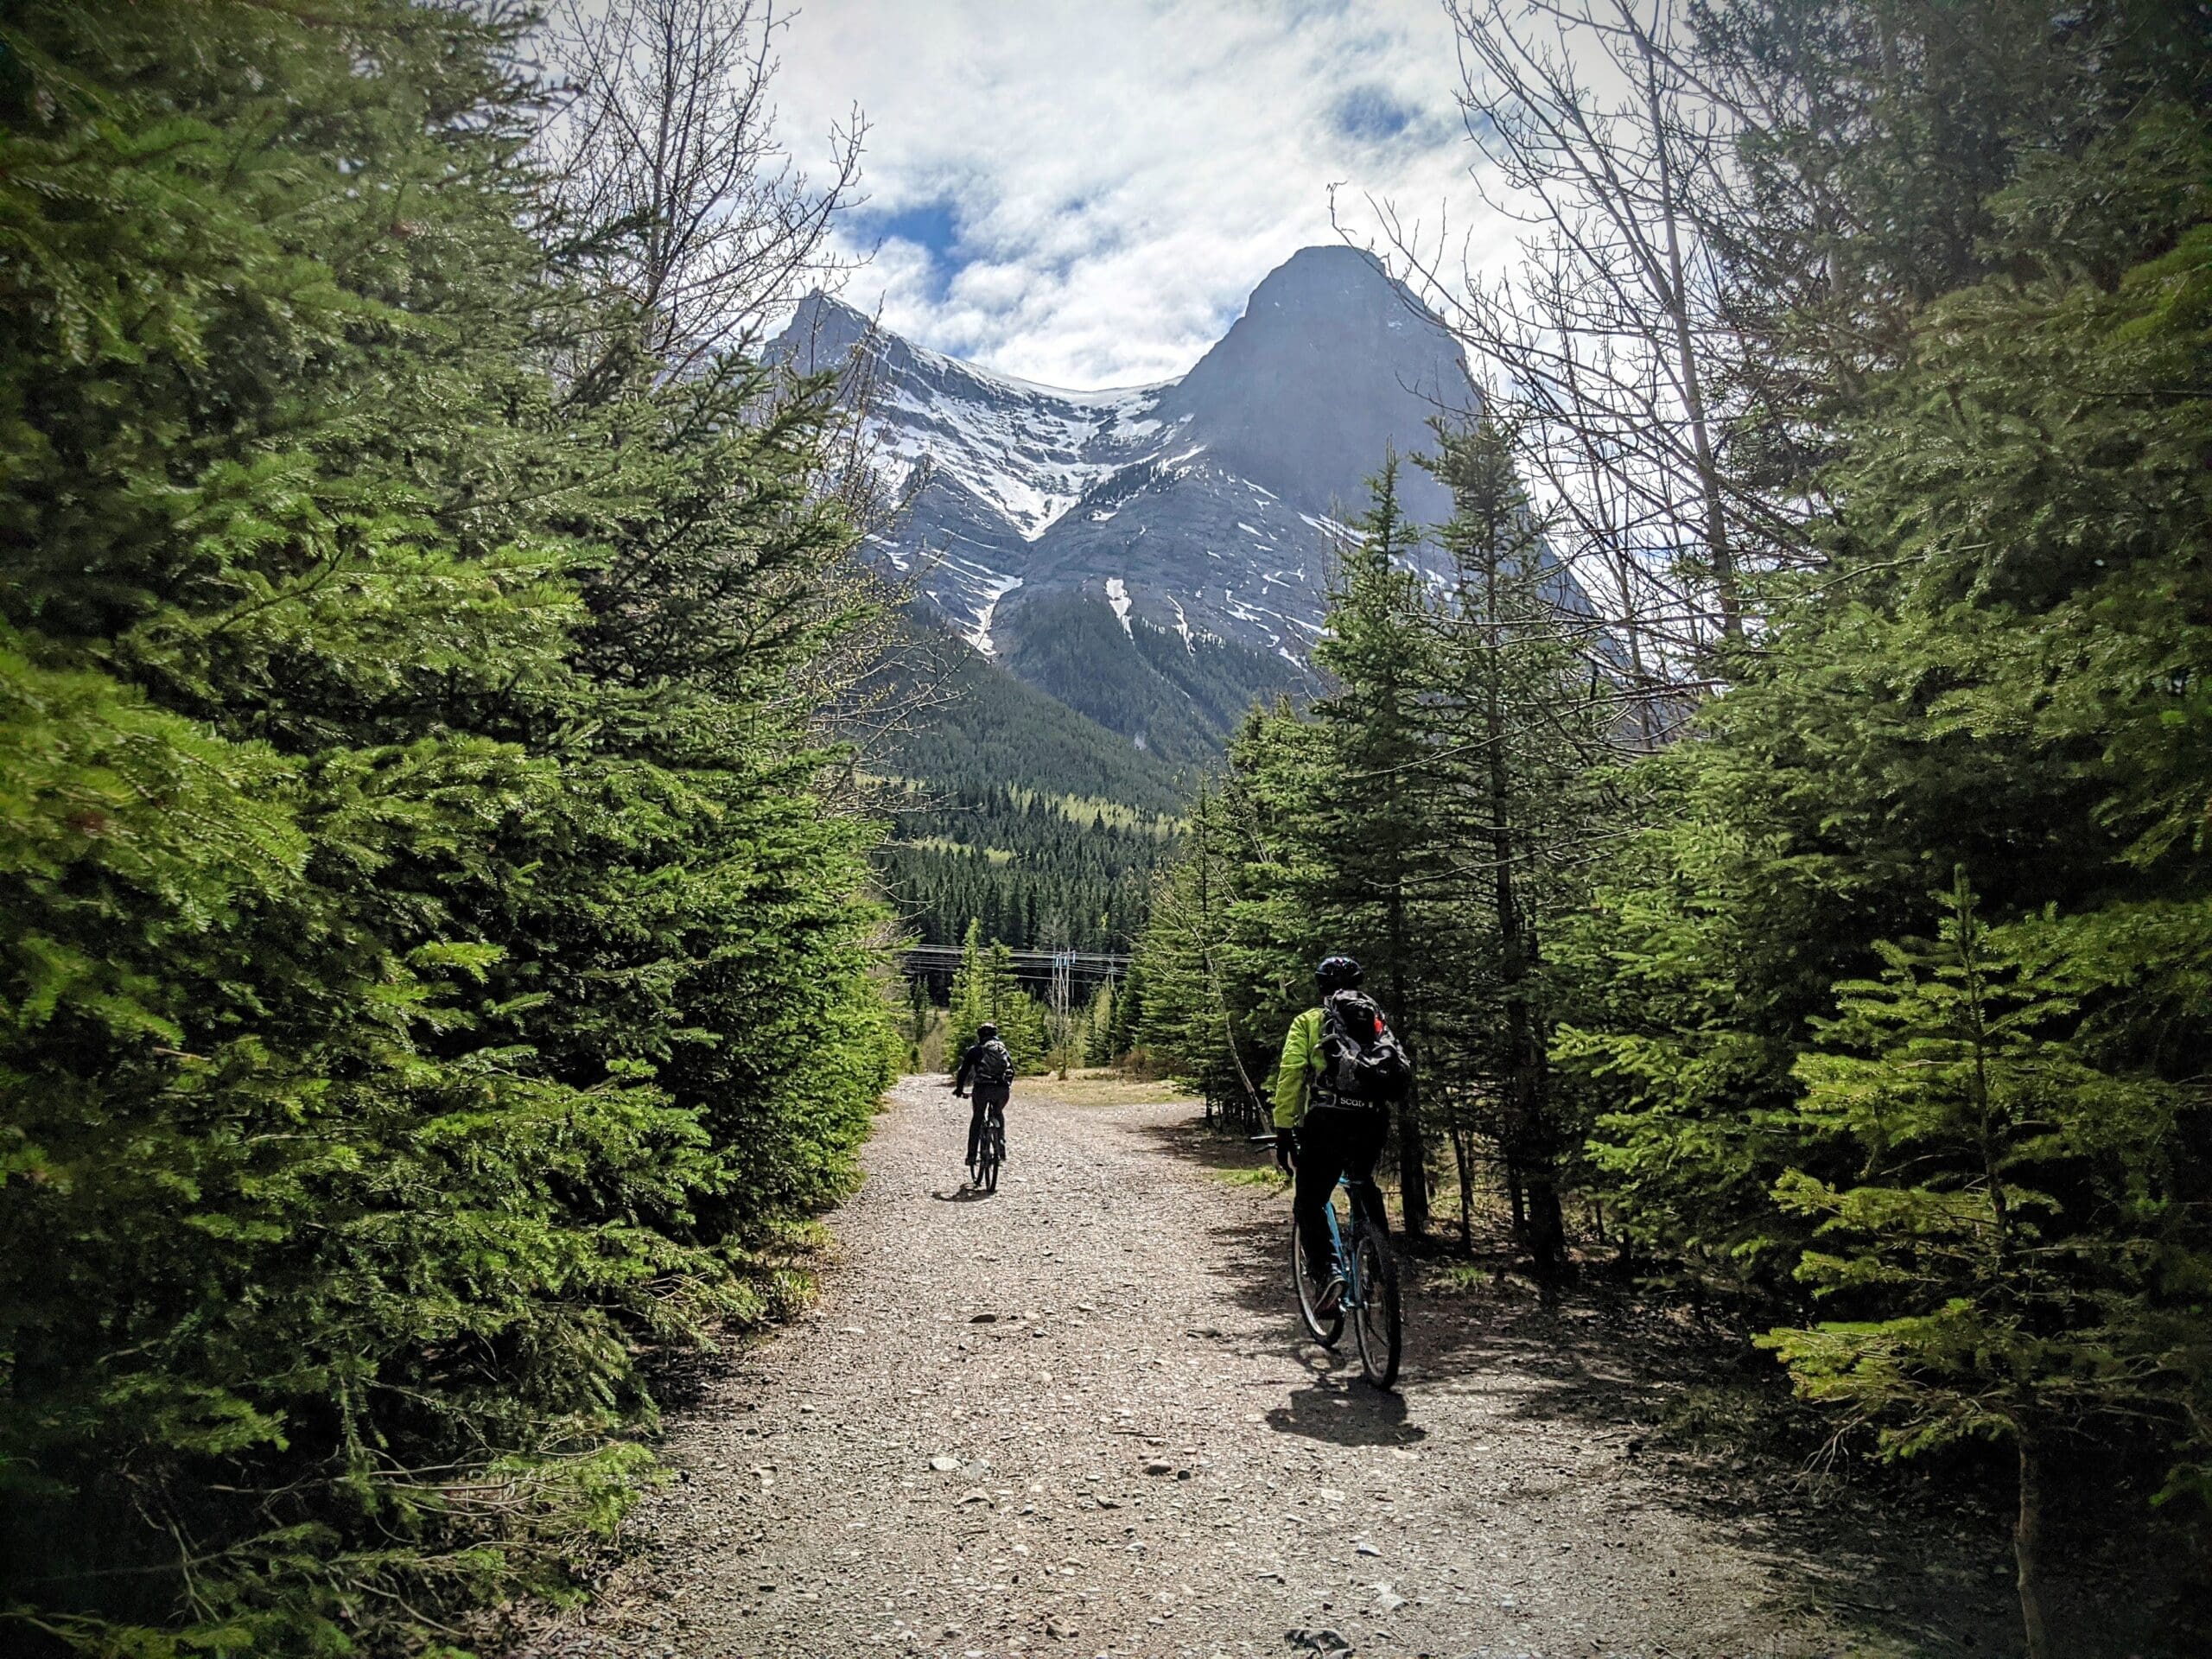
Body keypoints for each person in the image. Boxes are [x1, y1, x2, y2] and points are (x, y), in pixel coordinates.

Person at [1271, 955, 1405, 1313]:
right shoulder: (1375, 1022)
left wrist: (1284, 1128)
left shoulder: (1310, 1021)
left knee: (1311, 1200)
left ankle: (1328, 1273)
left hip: (1329, 1118)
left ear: (1320, 987)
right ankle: (1380, 1264)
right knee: (1363, 1183)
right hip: (1373, 1119)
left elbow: (1291, 1075)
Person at [952, 1020, 1015, 1185]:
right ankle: (1000, 1147)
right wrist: (1005, 1086)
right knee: (998, 1112)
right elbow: (1012, 1071)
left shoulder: (975, 1050)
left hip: (982, 1089)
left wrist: (959, 1089)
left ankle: (972, 1157)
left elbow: (963, 1071)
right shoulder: (1002, 1049)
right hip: (1001, 1090)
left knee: (978, 1118)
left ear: (979, 1035)